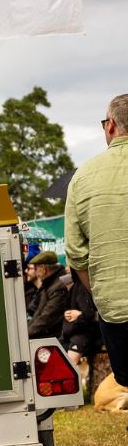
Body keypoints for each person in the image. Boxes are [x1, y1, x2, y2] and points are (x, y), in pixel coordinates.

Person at [65, 93, 128, 387]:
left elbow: (76, 253)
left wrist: (98, 293)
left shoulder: (83, 176)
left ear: (111, 125)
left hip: (116, 307)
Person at [61, 267, 102, 374]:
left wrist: (79, 315)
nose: (66, 268)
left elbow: (89, 315)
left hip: (83, 334)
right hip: (76, 332)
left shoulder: (82, 286)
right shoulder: (78, 285)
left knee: (68, 369)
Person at [26, 251, 70, 339]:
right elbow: (39, 313)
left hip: (57, 337)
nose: (37, 274)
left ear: (43, 268)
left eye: (35, 269)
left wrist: (25, 335)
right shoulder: (49, 284)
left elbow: (47, 317)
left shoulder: (59, 286)